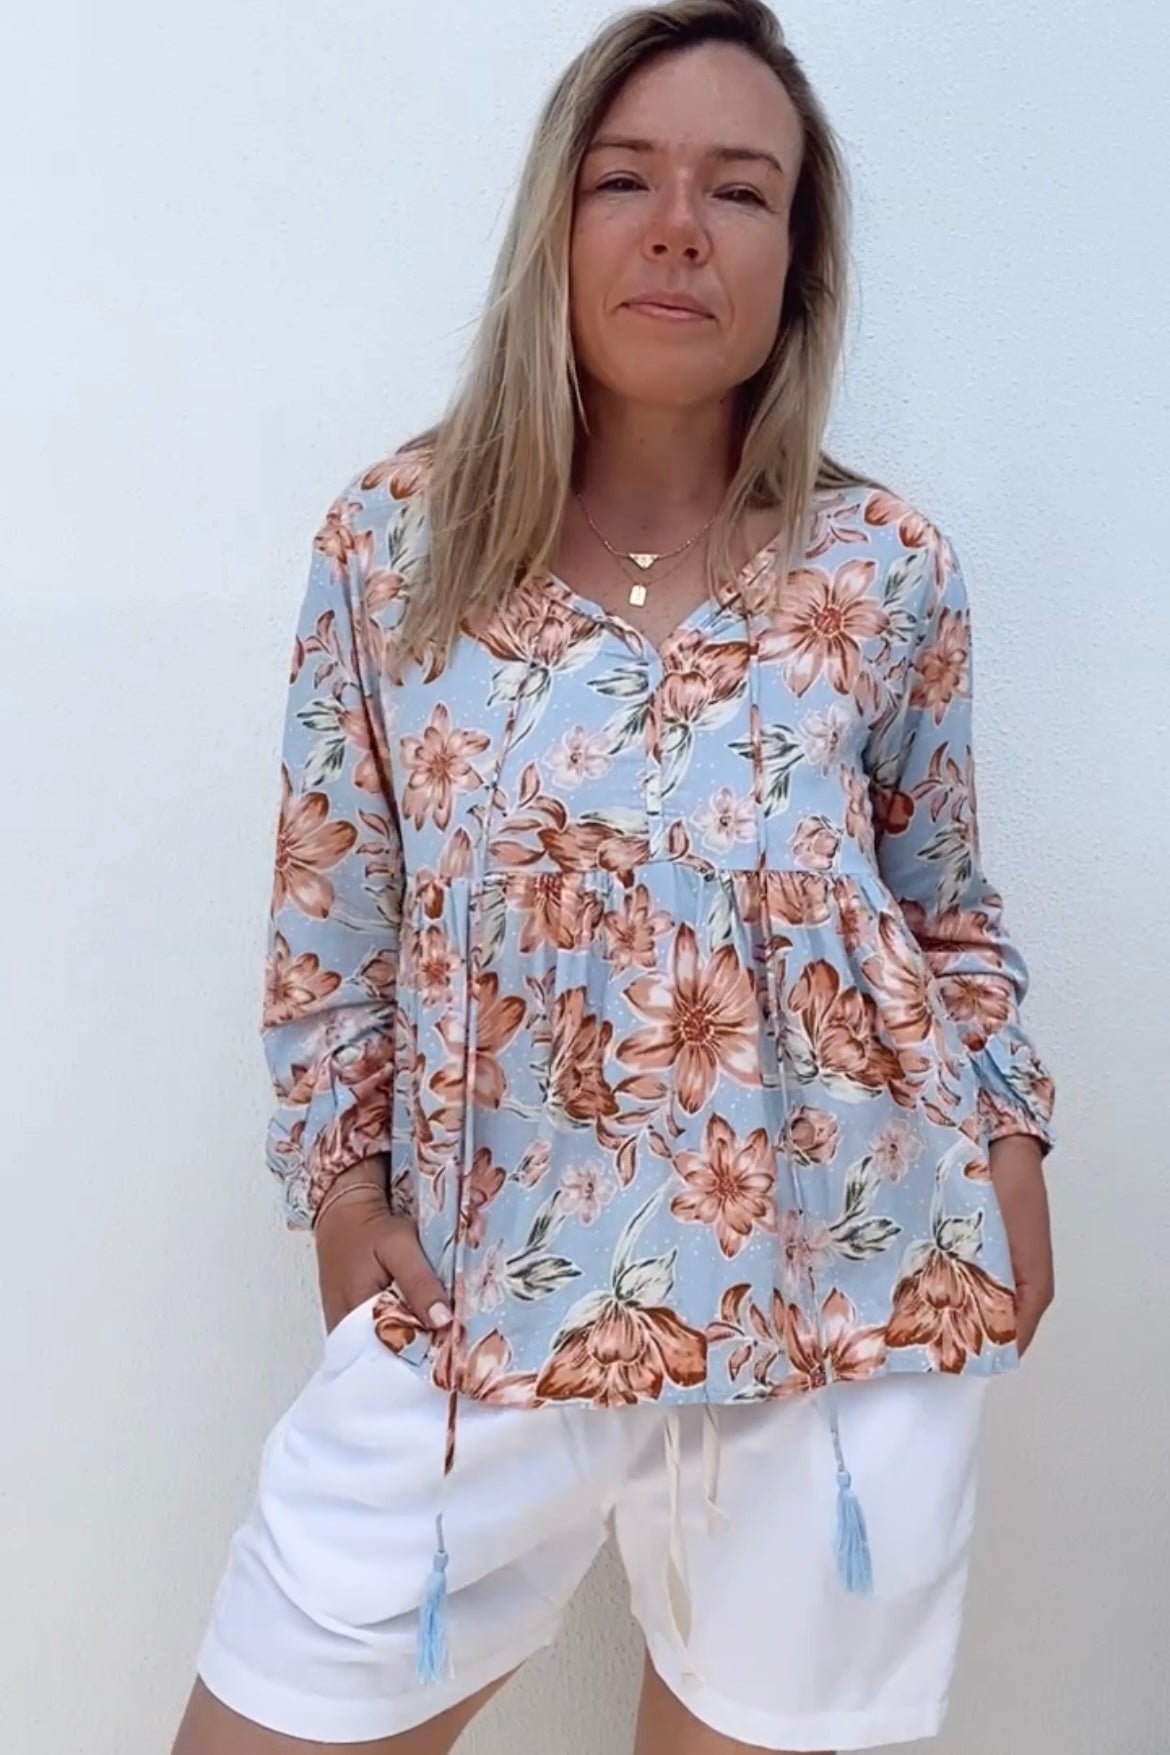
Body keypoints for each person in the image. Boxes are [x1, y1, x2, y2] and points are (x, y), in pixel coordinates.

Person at [172, 2, 1056, 1750]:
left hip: (841, 1324)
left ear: (795, 260)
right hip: (472, 1317)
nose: (676, 228)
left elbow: (942, 901)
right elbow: (331, 922)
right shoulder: (394, 546)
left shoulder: (884, 568)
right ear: (555, 223)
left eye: (740, 189)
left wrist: (1013, 1145)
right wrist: (343, 1198)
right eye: (624, 178)